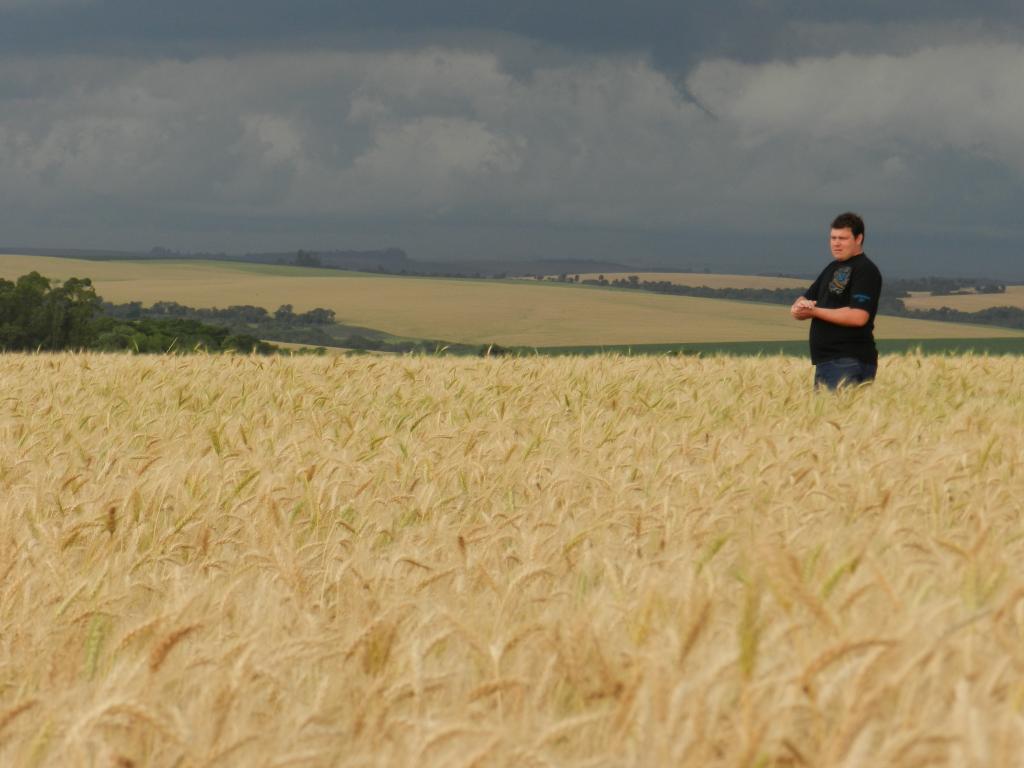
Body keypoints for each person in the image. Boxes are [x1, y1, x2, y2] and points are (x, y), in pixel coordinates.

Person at [790, 212, 882, 389]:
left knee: (837, 416)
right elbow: (807, 297)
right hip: (828, 362)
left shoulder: (865, 270)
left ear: (858, 238)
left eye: (843, 238)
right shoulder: (832, 268)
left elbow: (858, 316)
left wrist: (814, 311)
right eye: (833, 238)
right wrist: (799, 307)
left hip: (847, 360)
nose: (836, 243)